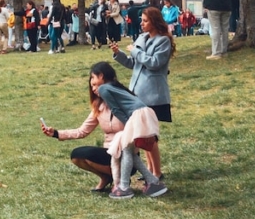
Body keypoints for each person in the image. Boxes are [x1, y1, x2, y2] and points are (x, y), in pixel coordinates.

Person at [41, 62, 166, 198]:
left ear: (101, 76)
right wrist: (56, 133)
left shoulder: (119, 97)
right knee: (79, 154)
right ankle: (127, 181)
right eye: (92, 86)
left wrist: (130, 126)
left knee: (126, 149)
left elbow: (123, 113)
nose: (94, 89)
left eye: (94, 83)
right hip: (111, 152)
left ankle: (125, 186)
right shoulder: (99, 107)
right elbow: (82, 131)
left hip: (127, 154)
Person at [111, 5, 175, 179]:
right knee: (142, 133)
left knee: (149, 136)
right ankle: (149, 169)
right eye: (142, 20)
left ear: (154, 22)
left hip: (154, 94)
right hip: (137, 93)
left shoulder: (163, 41)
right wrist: (119, 54)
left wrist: (136, 51)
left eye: (145, 21)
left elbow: (154, 63)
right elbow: (134, 63)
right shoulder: (142, 38)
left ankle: (157, 172)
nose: (142, 23)